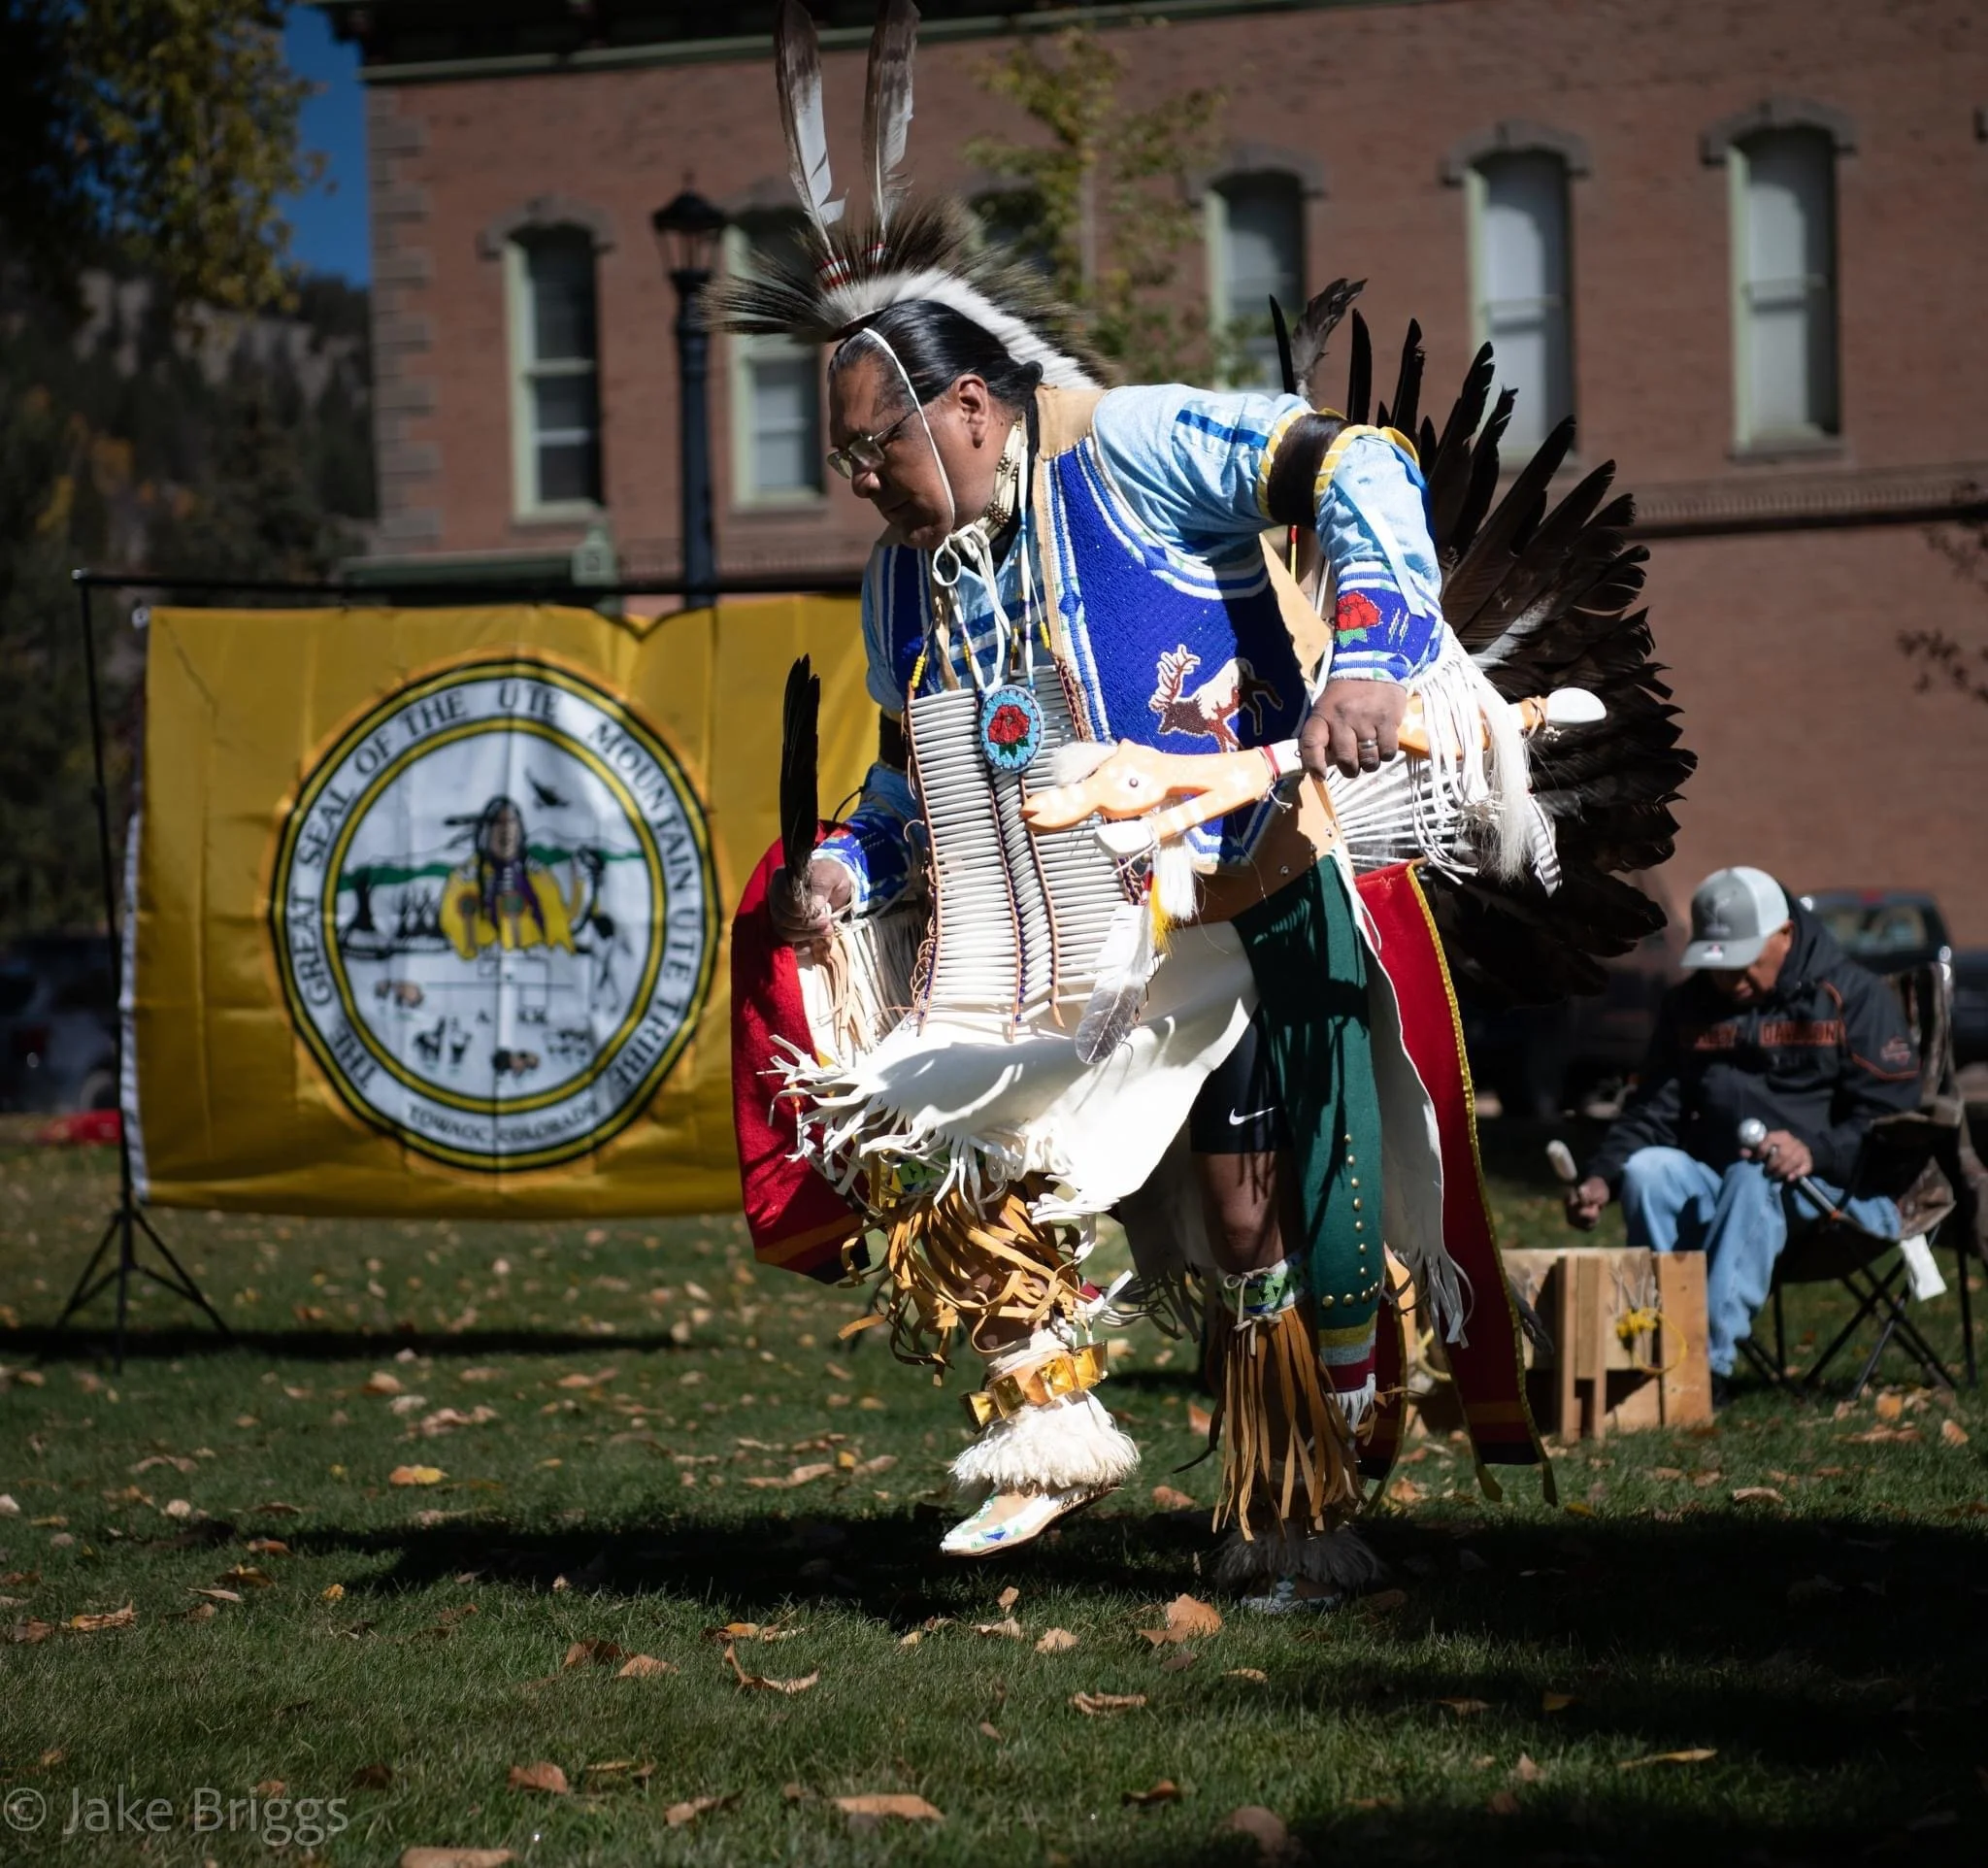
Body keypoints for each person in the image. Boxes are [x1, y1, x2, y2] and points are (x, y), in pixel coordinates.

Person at [723, 1, 1685, 1607]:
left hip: (1248, 881)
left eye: (868, 445)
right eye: (836, 457)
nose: (854, 481)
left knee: (1253, 1205)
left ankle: (1283, 1514)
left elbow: (1356, 458)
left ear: (967, 403)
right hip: (1058, 948)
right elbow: (919, 771)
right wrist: (844, 858)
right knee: (952, 1162)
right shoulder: (911, 582)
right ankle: (1051, 1429)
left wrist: (1373, 654)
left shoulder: (1138, 446)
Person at [1567, 866, 1920, 1386]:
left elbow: (1892, 1123)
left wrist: (1813, 1151)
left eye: (1743, 964)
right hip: (1723, 1181)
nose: (1730, 981)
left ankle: (1704, 1369)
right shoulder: (1689, 1006)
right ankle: (1659, 1339)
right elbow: (1652, 1110)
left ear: (1784, 934)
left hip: (1838, 1193)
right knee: (1649, 1171)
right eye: (1719, 967)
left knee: (1754, 1178)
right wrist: (1604, 1176)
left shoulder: (1854, 997)